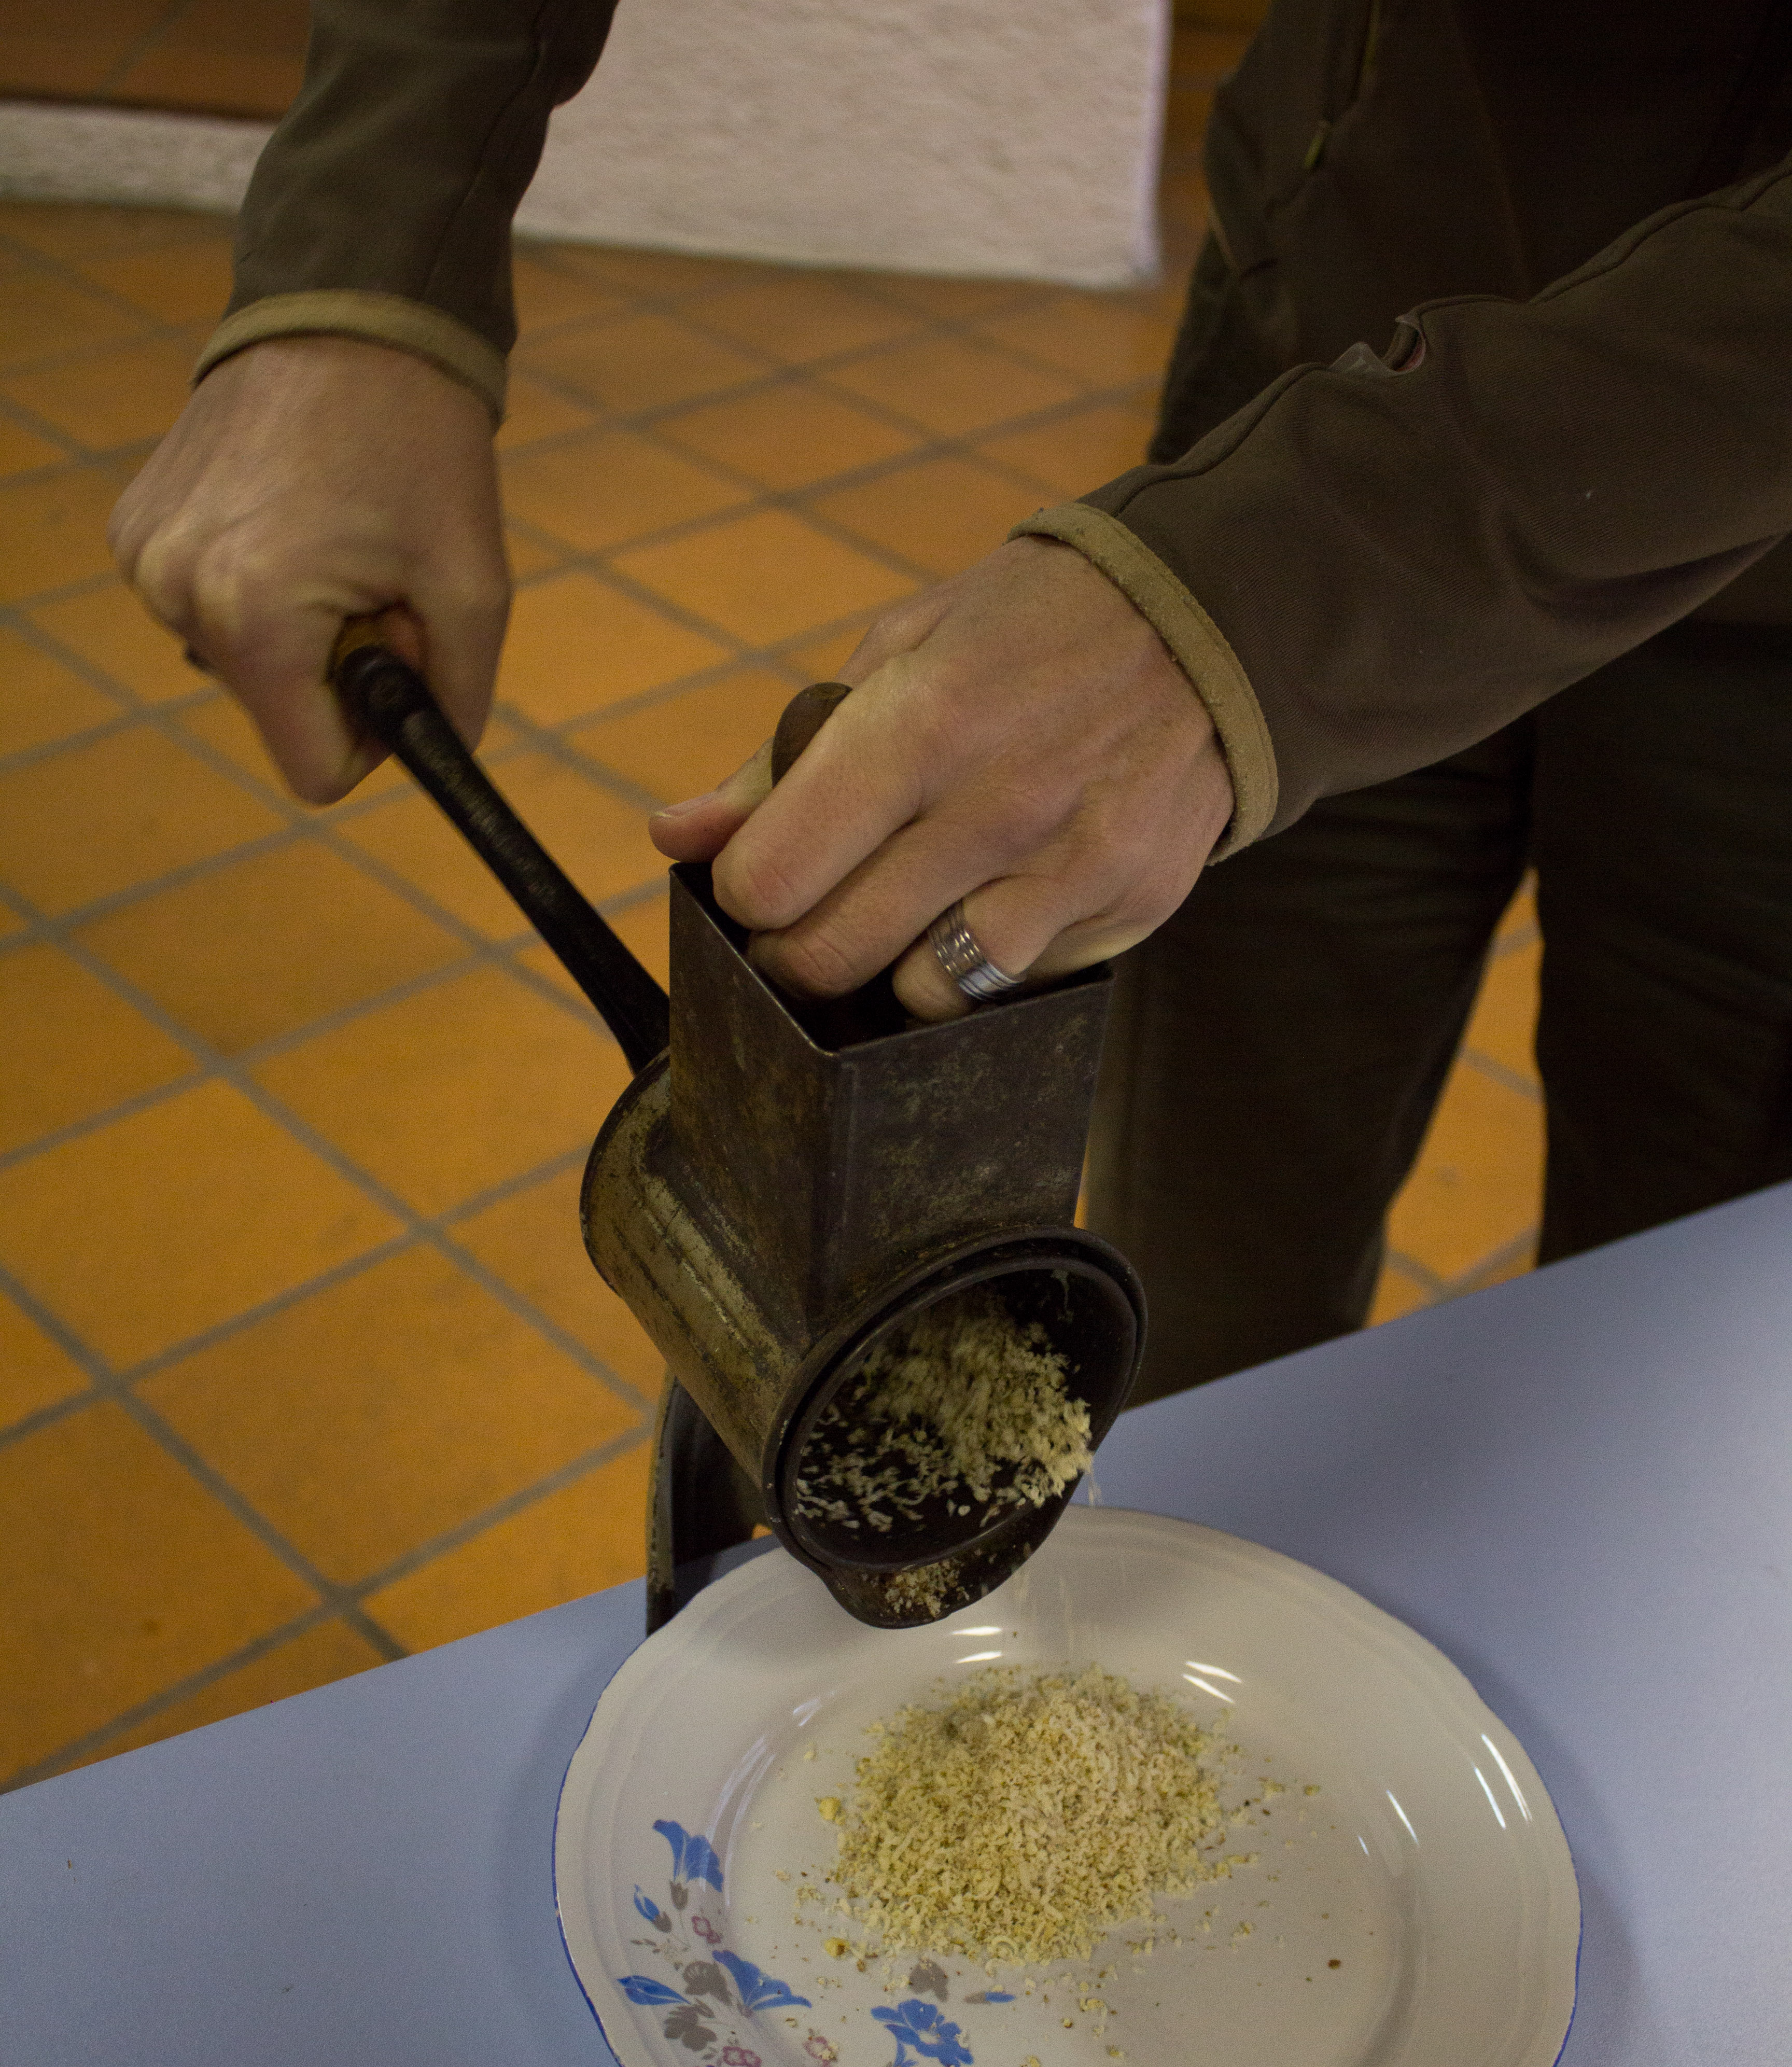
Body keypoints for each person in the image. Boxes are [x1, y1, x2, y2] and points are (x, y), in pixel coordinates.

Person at [111, 0, 1792, 1399]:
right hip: (1334, 337)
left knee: (1667, 1340)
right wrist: (375, 261)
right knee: (1207, 1271)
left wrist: (1276, 587)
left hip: (1754, 576)